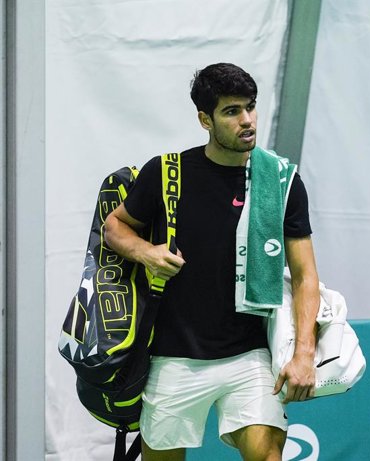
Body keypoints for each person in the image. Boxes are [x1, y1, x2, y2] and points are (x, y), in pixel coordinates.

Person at [104, 63, 320, 461]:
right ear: (205, 119)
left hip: (250, 356)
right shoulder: (166, 173)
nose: (247, 120)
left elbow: (306, 276)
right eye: (231, 111)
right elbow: (114, 227)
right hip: (172, 357)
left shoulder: (281, 180)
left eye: (251, 107)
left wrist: (304, 353)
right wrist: (147, 252)